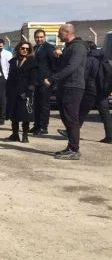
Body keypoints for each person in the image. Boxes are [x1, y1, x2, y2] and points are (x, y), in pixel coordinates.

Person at [44, 23, 87, 160]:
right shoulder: (68, 47)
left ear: (67, 32)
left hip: (73, 87)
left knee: (71, 118)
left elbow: (71, 67)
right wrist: (59, 57)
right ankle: (70, 147)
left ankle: (74, 149)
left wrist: (52, 79)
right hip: (64, 86)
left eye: (60, 33)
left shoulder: (78, 47)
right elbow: (61, 66)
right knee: (66, 117)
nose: (58, 35)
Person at [76, 43, 112, 144]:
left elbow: (85, 75)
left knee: (81, 112)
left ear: (87, 49)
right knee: (105, 114)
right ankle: (110, 136)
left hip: (91, 90)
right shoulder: (103, 58)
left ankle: (71, 132)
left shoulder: (90, 59)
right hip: (102, 90)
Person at [4, 41, 38, 143]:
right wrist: (7, 91)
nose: (24, 50)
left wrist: (28, 92)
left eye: (27, 49)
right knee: (13, 115)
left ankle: (25, 136)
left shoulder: (32, 62)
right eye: (23, 48)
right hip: (13, 91)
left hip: (25, 92)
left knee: (25, 115)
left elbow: (33, 79)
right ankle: (15, 134)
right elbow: (10, 77)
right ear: (19, 48)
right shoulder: (13, 61)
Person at [32, 29, 57, 136]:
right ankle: (37, 125)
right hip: (36, 81)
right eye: (37, 37)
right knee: (36, 104)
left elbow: (54, 66)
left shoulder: (49, 48)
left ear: (45, 37)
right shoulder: (35, 48)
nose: (39, 39)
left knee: (44, 105)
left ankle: (43, 127)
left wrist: (51, 79)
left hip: (45, 81)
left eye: (41, 37)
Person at [0, 39, 13, 126]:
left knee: (3, 99)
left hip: (3, 77)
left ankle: (2, 118)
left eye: (0, 46)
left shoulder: (8, 54)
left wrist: (9, 78)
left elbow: (10, 66)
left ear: (3, 46)